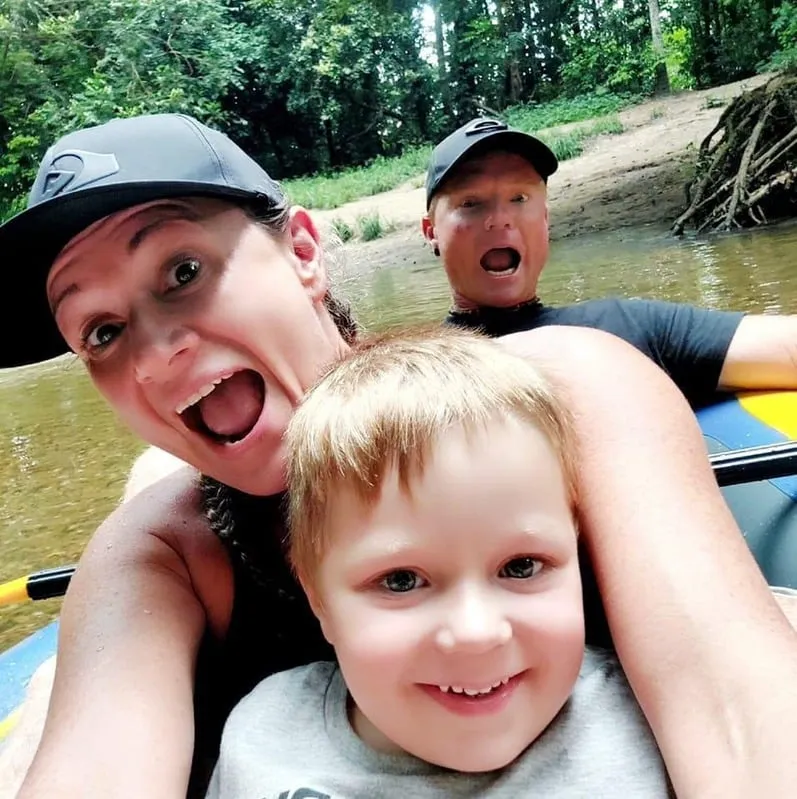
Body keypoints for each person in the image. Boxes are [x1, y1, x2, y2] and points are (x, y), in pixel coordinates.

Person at [1, 113, 797, 799]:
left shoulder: (571, 391)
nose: (152, 355)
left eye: (182, 271)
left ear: (304, 251)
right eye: (100, 332)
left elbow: (736, 709)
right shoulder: (159, 551)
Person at [207, 328, 670, 799]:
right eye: (401, 580)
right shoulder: (263, 738)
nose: (476, 633)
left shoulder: (657, 718)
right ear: (317, 597)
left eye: (522, 567)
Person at [422, 117, 797, 408]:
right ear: (431, 231)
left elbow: (784, 348)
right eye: (471, 203)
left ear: (546, 219)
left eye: (519, 198)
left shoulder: (632, 328)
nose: (500, 218)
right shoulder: (413, 374)